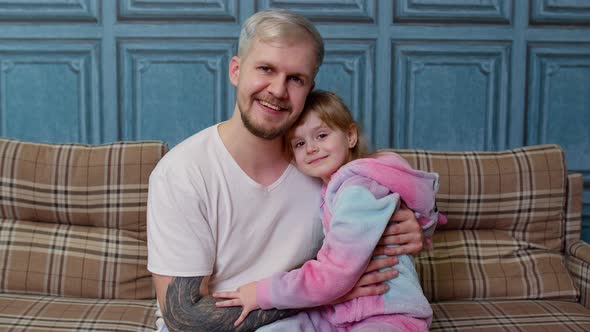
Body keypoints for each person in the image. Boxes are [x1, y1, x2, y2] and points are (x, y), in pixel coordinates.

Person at [147, 9, 428, 332]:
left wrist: (416, 224)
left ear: (309, 89)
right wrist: (330, 295)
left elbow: (389, 195)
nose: (278, 90)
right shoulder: (183, 173)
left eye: (295, 79)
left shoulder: (324, 165)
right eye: (266, 69)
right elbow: (186, 318)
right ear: (236, 70)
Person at [213, 90, 438, 331]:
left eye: (321, 135)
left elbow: (334, 274)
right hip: (339, 313)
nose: (311, 148)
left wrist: (263, 292)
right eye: (300, 143)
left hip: (388, 313)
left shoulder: (358, 192)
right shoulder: (332, 189)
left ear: (350, 136)